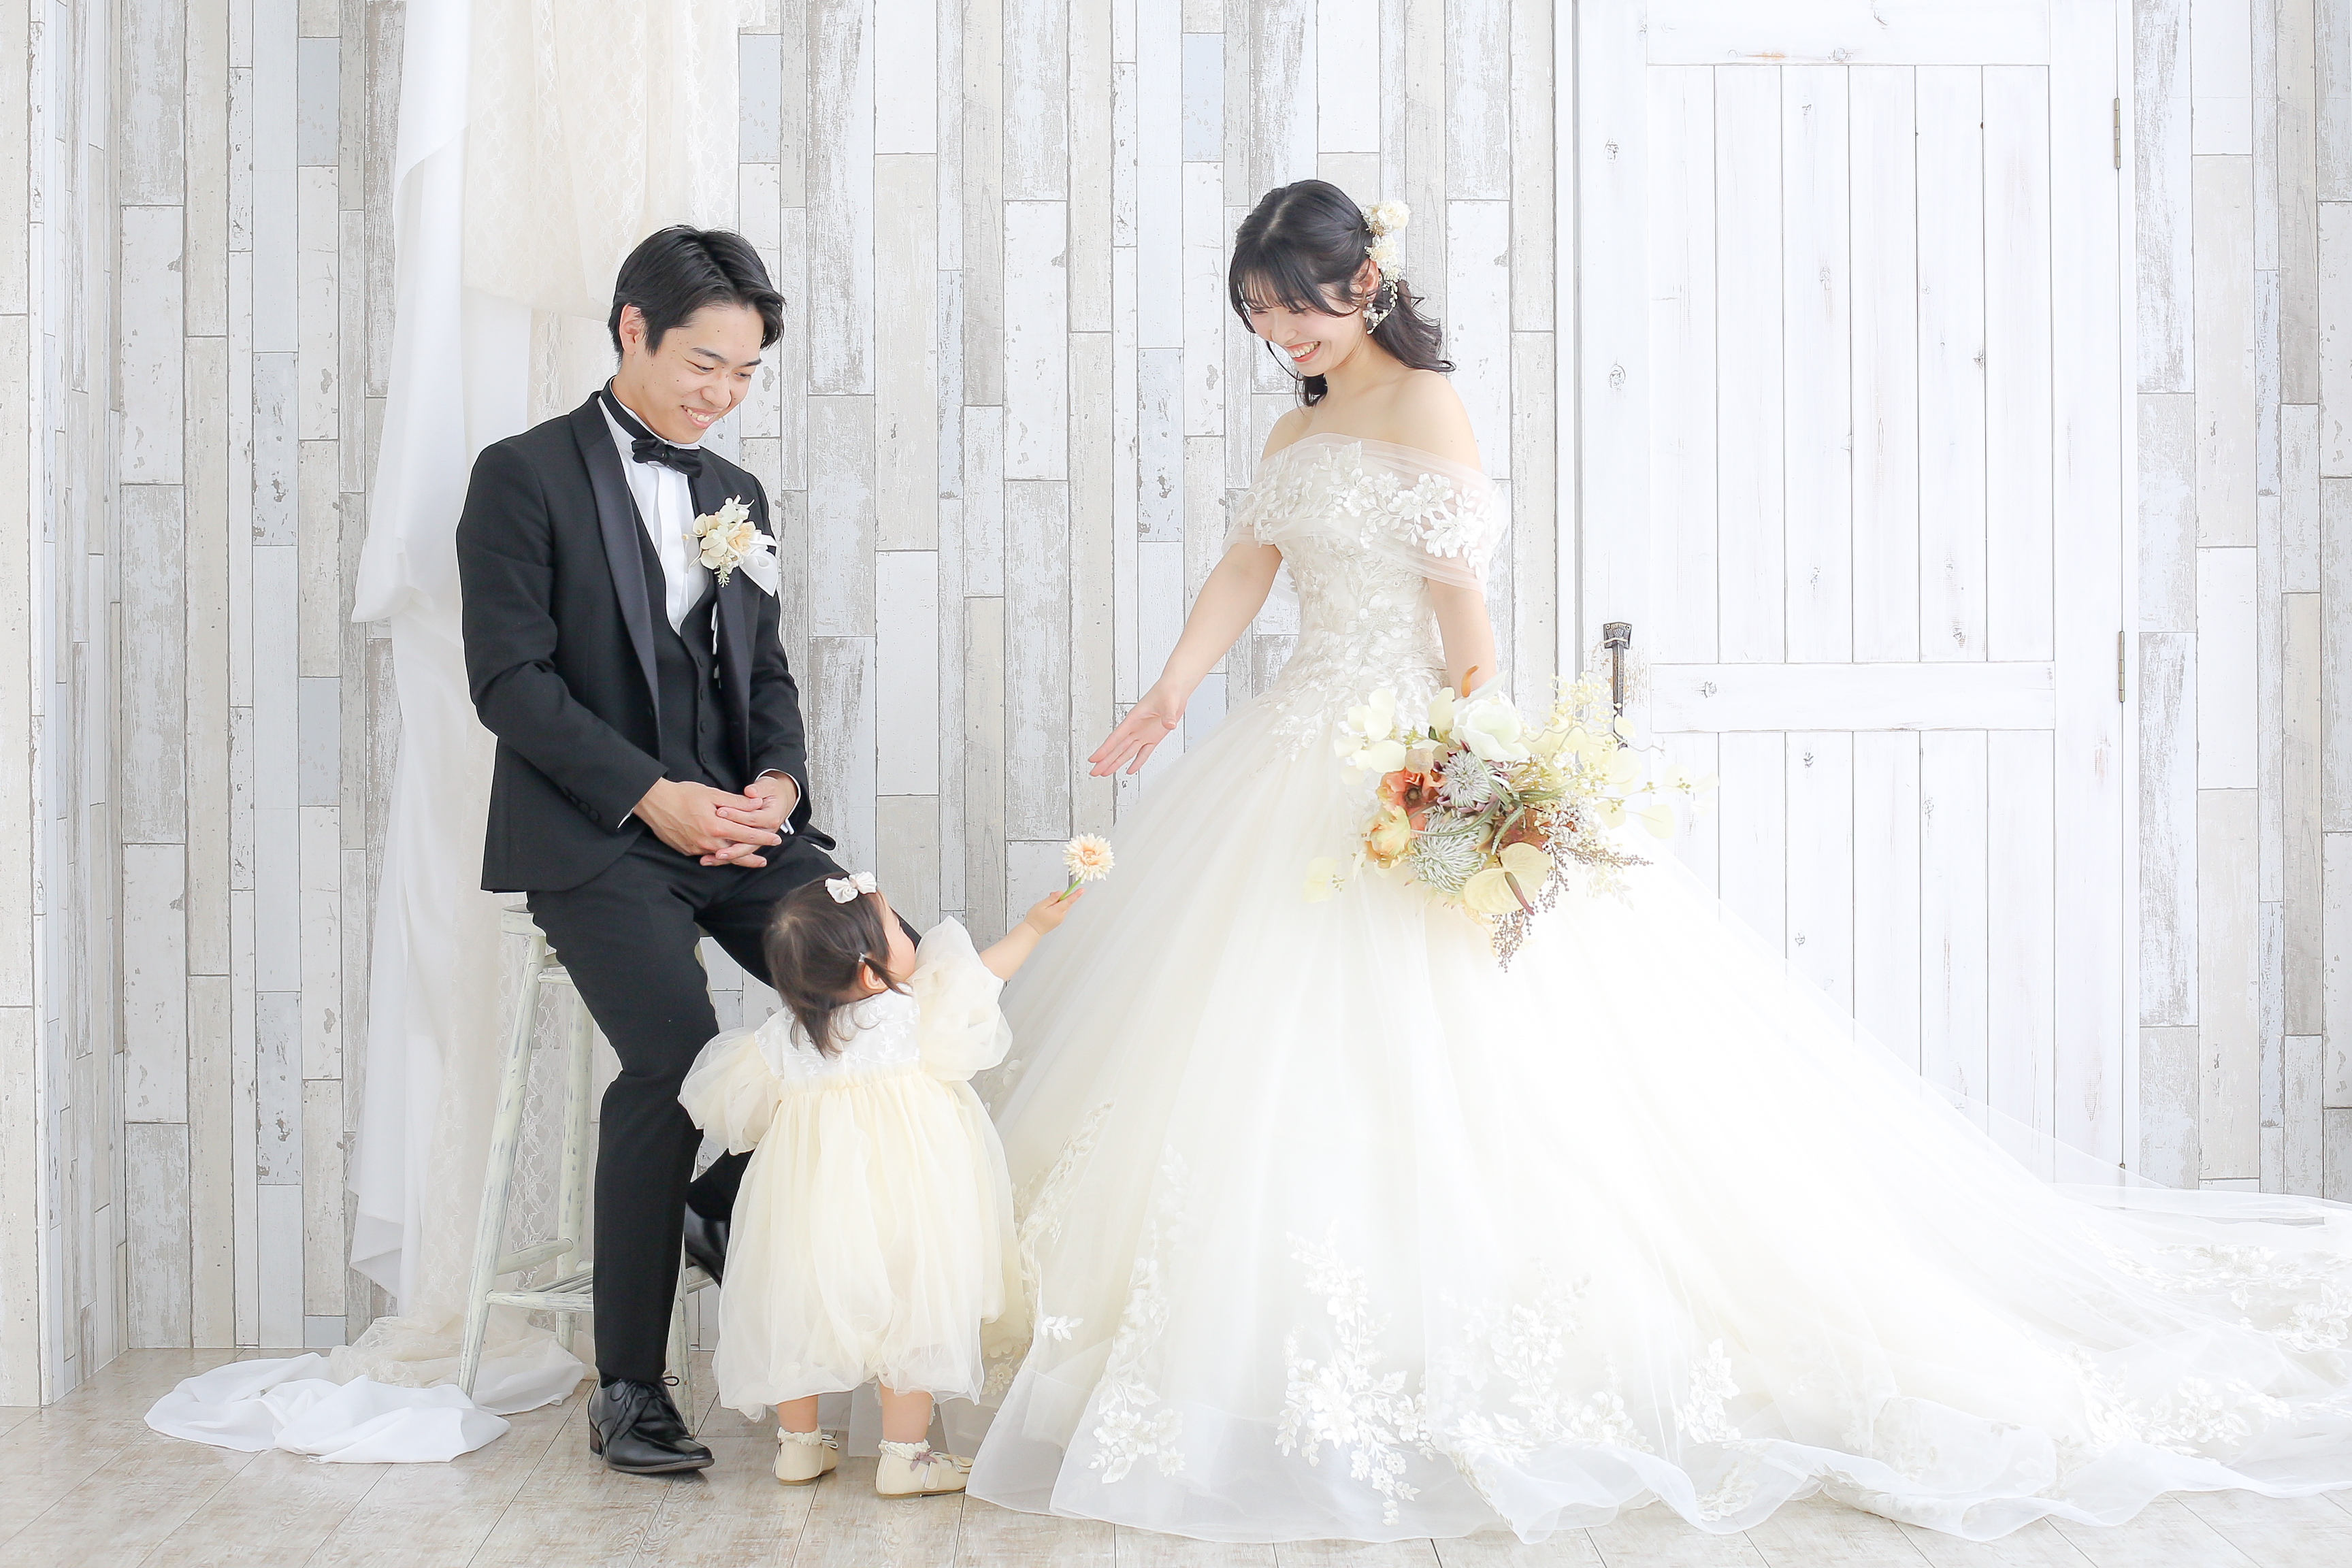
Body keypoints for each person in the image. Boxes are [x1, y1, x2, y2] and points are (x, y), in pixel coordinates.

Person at [960, 180, 2352, 1542]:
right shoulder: (1295, 426)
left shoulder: (1426, 407)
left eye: (1297, 311)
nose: (1282, 338)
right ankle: (1247, 1346)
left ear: (1363, 284)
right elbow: (1249, 565)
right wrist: (1173, 687)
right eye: (1261, 318)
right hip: (1290, 748)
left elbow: (1463, 609)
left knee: (1470, 1049)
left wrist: (1468, 764)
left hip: (1403, 744)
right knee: (1260, 1048)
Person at [455, 226, 845, 1474]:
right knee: (676, 1057)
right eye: (702, 364)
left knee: (883, 976)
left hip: (735, 825)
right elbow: (509, 682)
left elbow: (766, 674)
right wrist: (648, 795)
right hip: (594, 833)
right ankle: (628, 1384)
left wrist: (778, 783)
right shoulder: (520, 475)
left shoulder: (738, 493)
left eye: (744, 374)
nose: (722, 394)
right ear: (632, 328)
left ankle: (716, 1203)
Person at [679, 875, 1080, 1497]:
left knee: (799, 1311)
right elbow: (983, 976)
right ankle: (905, 1458)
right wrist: (1032, 928)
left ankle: (798, 1447)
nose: (907, 932)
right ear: (870, 974)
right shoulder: (908, 1011)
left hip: (809, 1209)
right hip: (911, 1198)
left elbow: (738, 1108)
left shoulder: (784, 1037)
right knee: (913, 1311)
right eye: (895, 927)